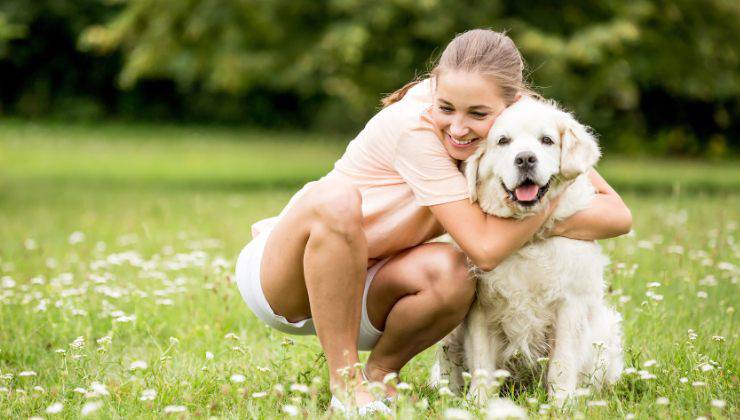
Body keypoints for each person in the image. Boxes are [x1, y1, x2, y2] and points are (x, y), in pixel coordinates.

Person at [234, 28, 632, 412]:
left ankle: (380, 377)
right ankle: (346, 389)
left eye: (478, 114)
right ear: (435, 91)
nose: (458, 128)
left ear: (510, 105)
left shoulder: (522, 126)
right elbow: (487, 249)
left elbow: (616, 213)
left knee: (455, 271)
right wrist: (551, 189)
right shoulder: (413, 128)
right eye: (446, 108)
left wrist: (549, 179)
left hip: (371, 286)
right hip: (290, 282)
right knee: (336, 199)